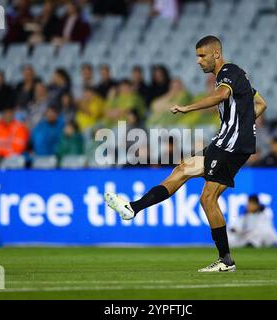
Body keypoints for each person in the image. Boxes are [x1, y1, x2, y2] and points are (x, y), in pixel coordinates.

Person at [104, 35, 268, 272]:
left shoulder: (228, 72)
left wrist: (187, 107)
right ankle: (133, 208)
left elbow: (222, 96)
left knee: (207, 198)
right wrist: (244, 126)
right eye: (197, 56)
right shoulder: (237, 76)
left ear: (216, 54)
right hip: (228, 140)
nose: (199, 61)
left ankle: (225, 260)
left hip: (230, 143)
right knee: (182, 169)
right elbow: (261, 104)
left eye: (202, 55)